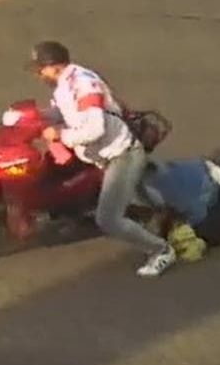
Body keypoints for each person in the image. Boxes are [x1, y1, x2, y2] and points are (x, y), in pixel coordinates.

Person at [30, 40, 176, 278]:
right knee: (146, 198)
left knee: (109, 219)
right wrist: (32, 116)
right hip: (103, 155)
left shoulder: (83, 85)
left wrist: (60, 134)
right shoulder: (66, 83)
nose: (38, 73)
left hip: (121, 155)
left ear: (54, 66)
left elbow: (95, 129)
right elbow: (62, 111)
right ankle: (168, 215)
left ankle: (161, 250)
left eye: (40, 68)